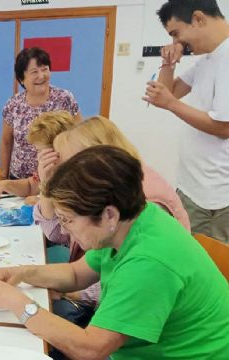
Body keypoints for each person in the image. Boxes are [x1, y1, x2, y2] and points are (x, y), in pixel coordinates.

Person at [0, 146, 229, 360]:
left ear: (108, 215)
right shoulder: (133, 220)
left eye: (68, 219)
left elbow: (91, 349)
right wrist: (20, 273)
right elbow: (76, 273)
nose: (65, 229)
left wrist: (16, 302)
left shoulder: (149, 262)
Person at [35, 116, 190, 326]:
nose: (66, 173)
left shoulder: (143, 199)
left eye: (69, 165)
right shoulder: (107, 191)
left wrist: (67, 295)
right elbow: (62, 239)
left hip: (144, 321)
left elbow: (132, 279)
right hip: (108, 297)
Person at [144, 0, 229, 242]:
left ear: (198, 18)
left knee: (213, 270)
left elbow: (224, 127)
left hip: (218, 198)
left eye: (176, 34)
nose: (177, 42)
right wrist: (168, 62)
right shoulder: (209, 58)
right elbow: (170, 90)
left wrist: (170, 103)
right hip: (195, 186)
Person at [0, 47, 79, 181]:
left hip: (55, 179)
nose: (41, 76)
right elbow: (6, 141)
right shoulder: (13, 104)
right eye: (34, 72)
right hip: (19, 180)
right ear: (21, 79)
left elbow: (78, 136)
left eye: (45, 69)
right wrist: (3, 177)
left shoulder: (65, 98)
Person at [0, 111, 79, 201]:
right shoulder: (49, 168)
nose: (38, 156)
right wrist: (6, 185)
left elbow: (65, 206)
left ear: (62, 148)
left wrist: (40, 203)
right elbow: (31, 186)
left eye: (41, 151)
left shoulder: (76, 174)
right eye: (38, 151)